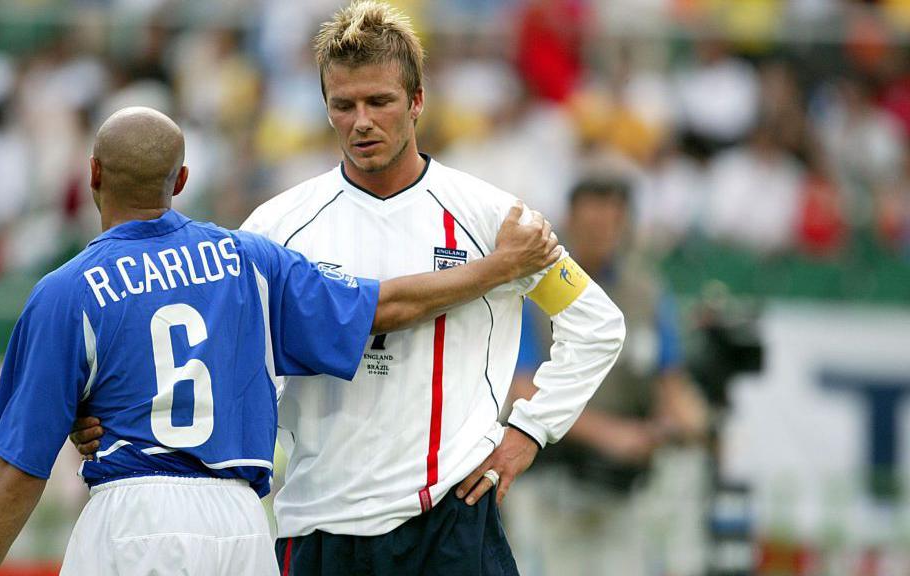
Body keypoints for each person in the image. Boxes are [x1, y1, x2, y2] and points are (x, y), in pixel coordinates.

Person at [75, 3, 625, 574]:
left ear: (416, 102)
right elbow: (202, 349)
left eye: (379, 102)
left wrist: (528, 434)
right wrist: (101, 414)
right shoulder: (277, 227)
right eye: (344, 105)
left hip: (450, 520)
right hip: (319, 523)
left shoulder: (492, 219)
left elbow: (597, 326)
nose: (362, 121)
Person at [0, 106, 561, 576]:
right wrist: (496, 268)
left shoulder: (65, 292)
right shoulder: (248, 259)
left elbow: (21, 466)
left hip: (132, 512)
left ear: (92, 174)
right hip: (240, 523)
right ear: (183, 179)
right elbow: (383, 306)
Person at [504, 175, 708, 575]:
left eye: (612, 217)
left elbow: (671, 382)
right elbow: (522, 389)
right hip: (546, 467)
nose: (602, 227)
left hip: (620, 482)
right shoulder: (536, 284)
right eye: (592, 216)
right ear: (571, 220)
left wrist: (689, 422)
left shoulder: (647, 291)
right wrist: (610, 434)